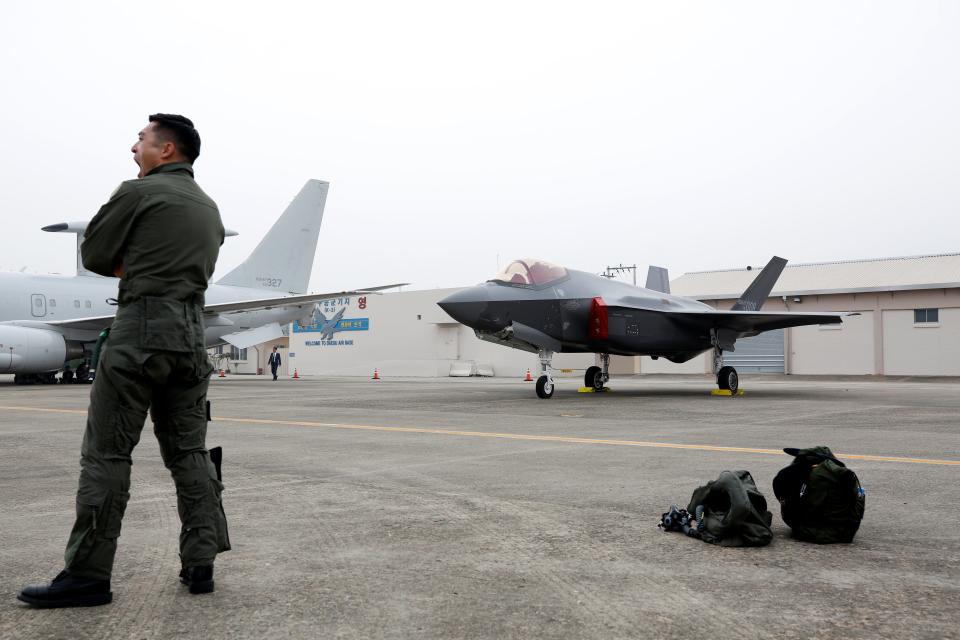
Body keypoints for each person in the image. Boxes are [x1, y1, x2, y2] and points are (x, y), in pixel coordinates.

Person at [18, 114, 230, 608]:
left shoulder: (136, 194)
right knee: (190, 453)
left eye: (141, 139)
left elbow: (94, 256)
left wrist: (130, 261)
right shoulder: (210, 209)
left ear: (167, 151)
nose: (133, 147)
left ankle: (89, 575)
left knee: (108, 455)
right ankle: (201, 562)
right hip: (191, 337)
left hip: (139, 332)